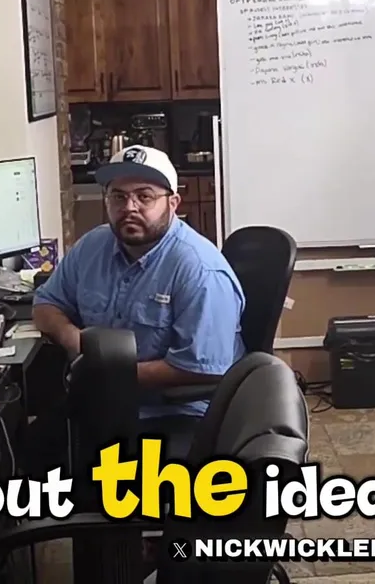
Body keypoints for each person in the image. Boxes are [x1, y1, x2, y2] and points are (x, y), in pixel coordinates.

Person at [33, 145, 245, 456]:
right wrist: (73, 339)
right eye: (118, 196)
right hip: (102, 402)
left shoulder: (200, 270)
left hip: (177, 413)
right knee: (18, 446)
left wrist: (107, 372)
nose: (129, 207)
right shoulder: (93, 245)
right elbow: (45, 304)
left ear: (173, 203)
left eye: (144, 196)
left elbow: (204, 369)